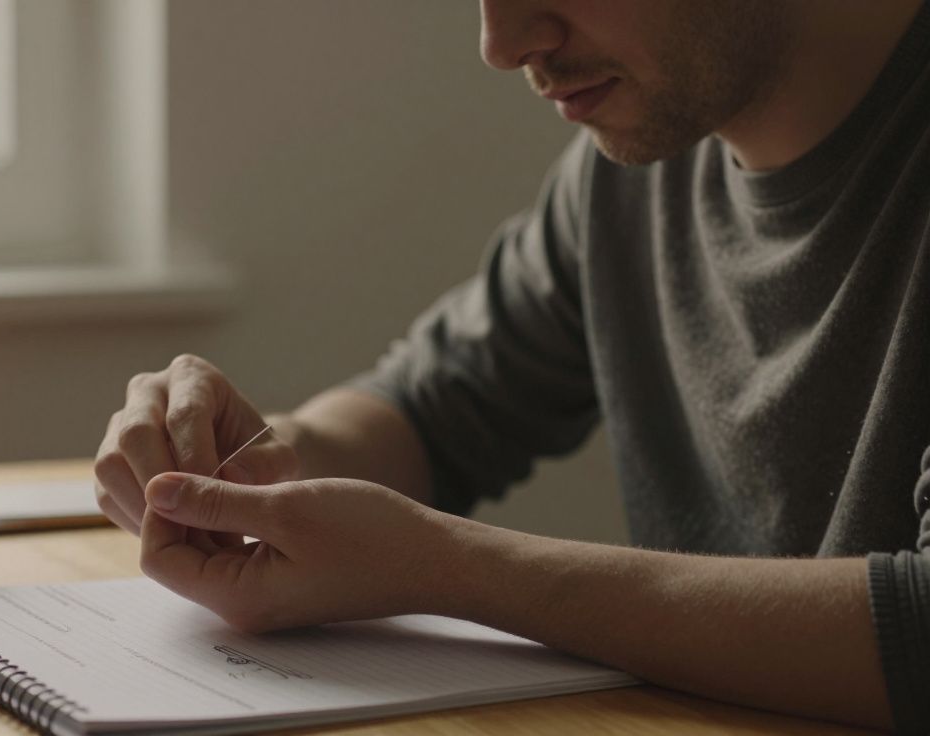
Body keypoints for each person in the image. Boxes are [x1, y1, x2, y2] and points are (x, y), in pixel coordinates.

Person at [93, 1, 930, 732]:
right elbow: (426, 409)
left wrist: (445, 569)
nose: (500, 42)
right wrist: (240, 457)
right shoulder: (633, 176)